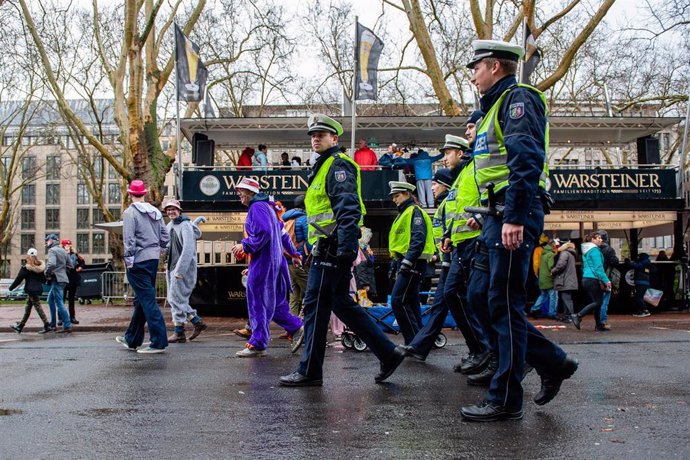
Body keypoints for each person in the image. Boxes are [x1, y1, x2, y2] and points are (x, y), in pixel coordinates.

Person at [460, 40, 578, 422]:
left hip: (515, 213)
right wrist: (486, 213)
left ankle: (506, 398)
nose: (472, 74)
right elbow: (493, 170)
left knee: (503, 304)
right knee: (482, 297)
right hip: (498, 214)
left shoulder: (518, 99)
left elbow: (526, 160)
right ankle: (553, 361)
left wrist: (512, 215)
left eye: (475, 66)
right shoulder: (494, 106)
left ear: (494, 66)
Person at [279, 114, 405, 387]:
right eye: (313, 135)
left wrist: (345, 249)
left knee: (314, 307)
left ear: (334, 139)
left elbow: (347, 210)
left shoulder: (338, 166)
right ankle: (388, 353)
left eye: (321, 135)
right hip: (327, 247)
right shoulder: (324, 166)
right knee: (342, 304)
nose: (315, 138)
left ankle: (310, 371)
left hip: (333, 248)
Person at [230, 178, 304, 357]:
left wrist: (245, 245)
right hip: (276, 266)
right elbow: (282, 234)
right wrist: (294, 255)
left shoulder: (256, 208)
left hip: (263, 265)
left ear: (250, 192)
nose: (238, 193)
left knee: (257, 303)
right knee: (277, 304)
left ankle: (257, 343)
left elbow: (264, 233)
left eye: (241, 190)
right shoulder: (269, 208)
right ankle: (298, 327)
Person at [402, 166, 457, 361]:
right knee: (440, 305)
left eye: (434, 184)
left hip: (456, 258)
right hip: (448, 260)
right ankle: (420, 346)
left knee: (461, 304)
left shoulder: (451, 201)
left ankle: (482, 349)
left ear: (444, 184)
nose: (431, 188)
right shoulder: (442, 204)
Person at [115, 179, 170, 353]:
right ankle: (132, 338)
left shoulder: (130, 213)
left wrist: (129, 261)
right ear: (144, 193)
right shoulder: (155, 211)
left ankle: (159, 341)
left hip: (138, 260)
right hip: (152, 259)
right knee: (142, 300)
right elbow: (164, 235)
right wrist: (160, 250)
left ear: (130, 194)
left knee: (147, 300)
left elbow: (129, 240)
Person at [387, 180, 435, 345]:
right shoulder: (404, 213)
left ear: (407, 194)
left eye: (397, 195)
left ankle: (413, 342)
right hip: (406, 261)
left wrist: (407, 261)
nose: (394, 199)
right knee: (411, 301)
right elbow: (401, 244)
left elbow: (417, 238)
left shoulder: (414, 211)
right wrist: (395, 264)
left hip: (412, 262)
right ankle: (420, 340)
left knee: (398, 300)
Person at [163, 199, 208, 343]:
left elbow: (188, 250)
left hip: (182, 269)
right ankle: (180, 331)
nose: (171, 212)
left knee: (174, 298)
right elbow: (167, 245)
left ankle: (196, 321)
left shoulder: (186, 225)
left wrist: (179, 271)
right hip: (171, 267)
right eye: (168, 209)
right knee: (175, 299)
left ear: (179, 210)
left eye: (173, 209)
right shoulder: (170, 225)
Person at [572, 233, 610, 331]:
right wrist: (606, 280)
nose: (601, 240)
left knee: (597, 302)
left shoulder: (586, 251)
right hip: (593, 279)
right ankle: (578, 316)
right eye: (598, 238)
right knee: (598, 302)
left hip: (586, 278)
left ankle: (599, 325)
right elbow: (598, 268)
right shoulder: (594, 251)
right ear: (593, 240)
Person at [8, 248, 52, 334]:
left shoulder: (26, 268)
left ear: (28, 256)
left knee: (38, 307)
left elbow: (18, 279)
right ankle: (20, 326)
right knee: (28, 308)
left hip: (30, 290)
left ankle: (47, 325)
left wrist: (11, 288)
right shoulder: (40, 267)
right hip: (37, 289)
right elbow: (43, 280)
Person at [282, 195, 311, 317]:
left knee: (294, 295)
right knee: (311, 290)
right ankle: (304, 321)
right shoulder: (304, 219)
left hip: (288, 260)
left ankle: (291, 328)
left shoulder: (287, 219)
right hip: (300, 260)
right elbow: (309, 241)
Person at [44, 233, 73, 334]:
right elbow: (70, 265)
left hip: (56, 279)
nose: (46, 242)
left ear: (51, 241)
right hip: (63, 279)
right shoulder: (63, 251)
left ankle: (67, 325)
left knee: (59, 303)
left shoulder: (52, 250)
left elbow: (51, 264)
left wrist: (47, 273)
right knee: (50, 300)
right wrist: (62, 271)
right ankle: (53, 324)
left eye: (47, 240)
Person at [530, 239, 558, 319]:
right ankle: (552, 313)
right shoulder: (550, 254)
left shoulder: (543, 253)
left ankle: (534, 309)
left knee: (543, 295)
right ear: (552, 245)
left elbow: (536, 264)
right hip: (549, 278)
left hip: (542, 278)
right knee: (553, 296)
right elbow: (551, 267)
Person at [551, 241, 578, 323]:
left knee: (566, 298)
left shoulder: (564, 253)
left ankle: (570, 316)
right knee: (567, 298)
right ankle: (567, 316)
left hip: (565, 279)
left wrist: (553, 271)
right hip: (570, 279)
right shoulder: (571, 253)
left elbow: (561, 265)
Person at [597, 230, 619, 329]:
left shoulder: (594, 249)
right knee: (604, 301)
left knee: (596, 301)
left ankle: (598, 322)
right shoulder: (609, 250)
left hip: (594, 278)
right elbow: (614, 262)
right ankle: (602, 322)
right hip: (606, 277)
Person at [62, 239, 85, 325]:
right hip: (63, 278)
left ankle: (72, 317)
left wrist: (80, 267)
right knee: (62, 299)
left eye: (69, 245)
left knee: (71, 300)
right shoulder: (61, 254)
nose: (68, 247)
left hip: (72, 278)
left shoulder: (75, 255)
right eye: (66, 245)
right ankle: (61, 318)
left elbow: (82, 262)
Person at [355, 226, 377, 299]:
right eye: (369, 237)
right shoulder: (360, 250)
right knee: (363, 305)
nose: (369, 239)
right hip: (362, 286)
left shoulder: (366, 249)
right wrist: (365, 284)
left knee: (365, 305)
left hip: (366, 282)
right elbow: (360, 268)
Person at [630, 252, 653, 317]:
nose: (638, 258)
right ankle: (641, 311)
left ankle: (645, 310)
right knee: (639, 297)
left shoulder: (644, 263)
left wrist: (629, 263)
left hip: (642, 282)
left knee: (639, 297)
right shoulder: (645, 262)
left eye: (639, 257)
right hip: (642, 282)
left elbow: (637, 266)